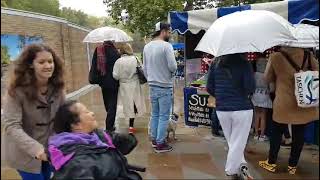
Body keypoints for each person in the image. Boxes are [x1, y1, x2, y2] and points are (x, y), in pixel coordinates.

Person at [2, 44, 65, 180]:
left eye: (50, 61)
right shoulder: (15, 91)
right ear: (30, 64)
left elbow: (63, 115)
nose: (48, 66)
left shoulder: (58, 87)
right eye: (41, 62)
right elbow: (11, 125)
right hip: (24, 153)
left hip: (50, 148)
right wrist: (36, 149)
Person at [259, 47, 319, 175]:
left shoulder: (276, 56)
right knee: (299, 133)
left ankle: (271, 162)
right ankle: (293, 165)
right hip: (302, 101)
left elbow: (266, 79)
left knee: (276, 132)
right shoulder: (308, 55)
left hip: (283, 101)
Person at [48, 100, 142, 180]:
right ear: (76, 125)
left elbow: (127, 143)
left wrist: (129, 139)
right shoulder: (77, 165)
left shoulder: (96, 136)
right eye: (86, 112)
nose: (92, 113)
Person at [206, 53, 255, 179]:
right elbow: (250, 87)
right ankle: (230, 171)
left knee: (233, 142)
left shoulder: (215, 63)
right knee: (238, 142)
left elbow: (209, 87)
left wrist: (221, 95)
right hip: (242, 108)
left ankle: (241, 165)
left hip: (222, 109)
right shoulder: (244, 63)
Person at [143, 22, 177, 153]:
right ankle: (160, 143)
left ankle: (154, 139)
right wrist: (170, 74)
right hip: (164, 86)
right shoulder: (166, 46)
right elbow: (173, 66)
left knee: (155, 114)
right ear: (163, 31)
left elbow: (144, 68)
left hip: (152, 85)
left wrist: (151, 79)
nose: (169, 34)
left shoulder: (147, 47)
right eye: (169, 32)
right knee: (164, 116)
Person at [113, 43, 146, 134]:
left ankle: (130, 126)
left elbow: (115, 75)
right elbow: (142, 69)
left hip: (124, 86)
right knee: (135, 103)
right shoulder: (135, 59)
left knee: (128, 105)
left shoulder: (118, 61)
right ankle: (131, 125)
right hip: (134, 84)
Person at [90, 41, 121, 132]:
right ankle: (109, 126)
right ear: (112, 41)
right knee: (112, 104)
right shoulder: (115, 52)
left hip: (103, 81)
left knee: (107, 103)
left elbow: (94, 64)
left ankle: (110, 121)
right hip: (114, 82)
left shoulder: (98, 50)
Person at [252, 54, 273, 141]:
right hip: (265, 95)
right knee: (263, 116)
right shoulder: (267, 75)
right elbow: (272, 88)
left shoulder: (254, 74)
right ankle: (262, 135)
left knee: (257, 115)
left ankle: (256, 134)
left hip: (255, 94)